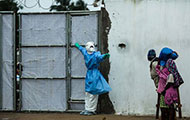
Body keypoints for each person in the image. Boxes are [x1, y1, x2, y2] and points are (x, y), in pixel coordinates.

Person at [75, 41, 111, 116]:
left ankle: (91, 109)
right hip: (89, 74)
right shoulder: (86, 53)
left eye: (92, 46)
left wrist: (104, 56)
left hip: (94, 74)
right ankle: (87, 108)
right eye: (90, 46)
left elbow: (100, 57)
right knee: (88, 92)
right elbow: (82, 49)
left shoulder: (96, 55)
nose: (92, 48)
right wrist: (78, 46)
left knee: (93, 92)